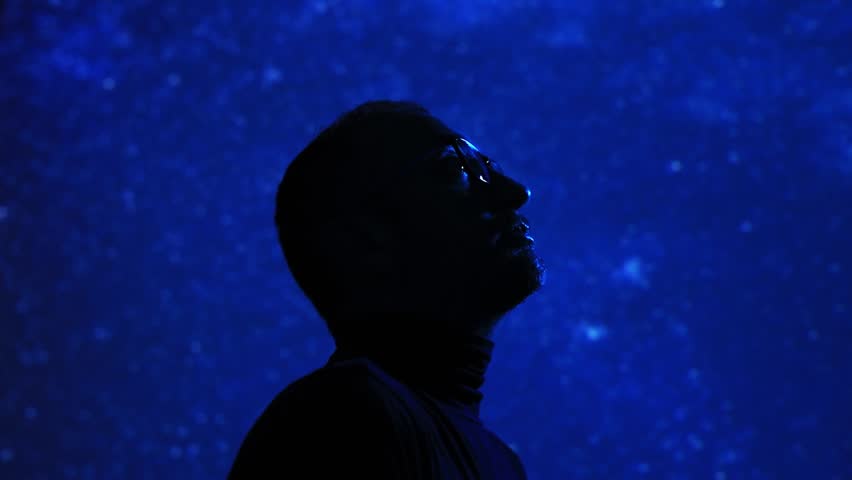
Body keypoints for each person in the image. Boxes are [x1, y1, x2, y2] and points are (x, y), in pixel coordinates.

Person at [228, 100, 546, 479]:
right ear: (367, 240)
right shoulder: (340, 419)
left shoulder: (502, 464)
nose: (516, 192)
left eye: (489, 168)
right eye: (452, 168)